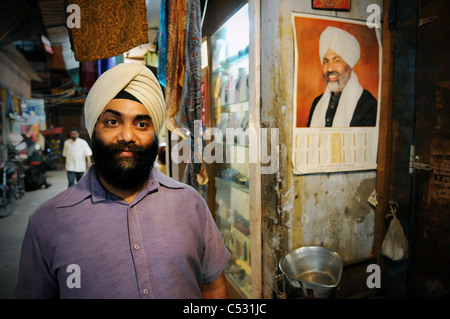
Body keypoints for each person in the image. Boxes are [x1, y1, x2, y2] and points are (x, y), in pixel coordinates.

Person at [14, 62, 230, 299]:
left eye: (141, 124)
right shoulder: (48, 221)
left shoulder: (190, 204)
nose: (127, 136)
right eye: (113, 122)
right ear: (93, 130)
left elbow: (212, 285)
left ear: (154, 133)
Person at [307, 26, 377, 127]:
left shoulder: (368, 104)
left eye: (337, 61)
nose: (330, 68)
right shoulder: (317, 103)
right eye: (326, 61)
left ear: (350, 65)